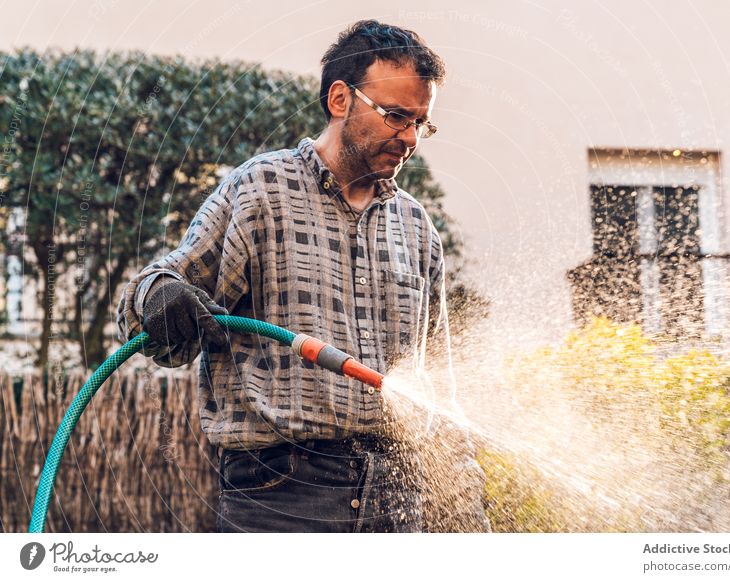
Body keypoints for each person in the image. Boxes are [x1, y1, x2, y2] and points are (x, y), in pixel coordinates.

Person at [116, 19, 489, 533]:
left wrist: (467, 504)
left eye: (421, 124)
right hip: (282, 492)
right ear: (340, 99)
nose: (410, 138)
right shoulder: (259, 191)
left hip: (397, 497)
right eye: (396, 116)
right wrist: (161, 296)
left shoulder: (416, 228)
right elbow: (160, 290)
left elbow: (438, 384)